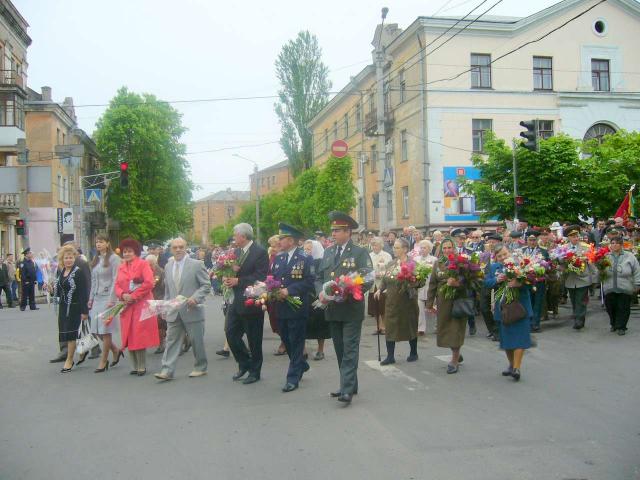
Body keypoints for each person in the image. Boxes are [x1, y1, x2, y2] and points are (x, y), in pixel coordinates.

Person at [317, 211, 373, 404]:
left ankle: (346, 389)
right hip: (332, 309)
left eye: (337, 230)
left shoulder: (359, 252)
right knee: (340, 349)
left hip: (351, 309)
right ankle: (350, 384)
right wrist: (320, 292)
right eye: (332, 230)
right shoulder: (328, 252)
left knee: (349, 349)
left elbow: (368, 278)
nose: (333, 234)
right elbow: (319, 277)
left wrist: (348, 289)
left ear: (348, 232)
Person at [154, 238, 211, 381]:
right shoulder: (168, 265)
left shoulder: (197, 264)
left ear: (186, 248)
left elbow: (206, 285)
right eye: (175, 247)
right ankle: (167, 370)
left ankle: (200, 367)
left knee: (196, 340)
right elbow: (168, 288)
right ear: (171, 249)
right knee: (171, 340)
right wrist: (165, 307)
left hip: (192, 309)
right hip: (174, 310)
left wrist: (195, 298)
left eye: (181, 247)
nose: (178, 250)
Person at [269, 224, 314, 392]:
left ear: (291, 240)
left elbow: (309, 282)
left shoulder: (305, 258)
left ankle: (293, 377)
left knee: (296, 342)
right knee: (286, 340)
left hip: (296, 307)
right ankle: (301, 364)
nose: (279, 241)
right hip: (281, 307)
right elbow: (272, 279)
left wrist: (289, 290)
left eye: (282, 239)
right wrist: (268, 289)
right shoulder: (279, 259)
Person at [224, 223, 269, 384]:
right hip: (236, 301)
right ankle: (244, 363)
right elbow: (229, 270)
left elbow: (261, 276)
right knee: (230, 333)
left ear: (243, 236)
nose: (234, 237)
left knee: (254, 339)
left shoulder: (260, 252)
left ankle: (255, 371)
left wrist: (239, 280)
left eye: (235, 235)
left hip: (252, 301)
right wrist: (226, 275)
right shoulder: (236, 252)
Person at [485, 244, 533, 381]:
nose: (502, 257)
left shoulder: (521, 264)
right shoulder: (494, 267)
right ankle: (511, 365)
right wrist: (496, 280)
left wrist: (519, 283)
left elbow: (531, 280)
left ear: (509, 252)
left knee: (520, 337)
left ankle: (517, 368)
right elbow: (486, 283)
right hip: (504, 307)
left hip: (520, 305)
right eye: (499, 256)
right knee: (506, 339)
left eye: (504, 254)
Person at [114, 238, 160, 376]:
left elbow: (149, 283)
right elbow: (116, 285)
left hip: (141, 304)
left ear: (136, 252)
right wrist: (122, 294)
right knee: (128, 334)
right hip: (126, 305)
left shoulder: (143, 264)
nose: (127, 254)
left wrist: (133, 296)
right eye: (125, 252)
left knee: (139, 334)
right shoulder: (121, 267)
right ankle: (134, 366)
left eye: (130, 251)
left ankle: (141, 366)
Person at [426, 238, 469, 374]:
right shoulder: (438, 263)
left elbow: (469, 282)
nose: (446, 250)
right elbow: (432, 283)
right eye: (444, 248)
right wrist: (429, 303)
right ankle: (456, 352)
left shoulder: (461, 262)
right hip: (443, 301)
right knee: (446, 329)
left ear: (454, 248)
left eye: (449, 247)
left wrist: (457, 284)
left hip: (458, 300)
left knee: (456, 329)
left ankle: (454, 360)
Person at [376, 238, 420, 365]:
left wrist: (411, 280)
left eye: (397, 247)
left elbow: (419, 281)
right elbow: (385, 279)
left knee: (410, 325)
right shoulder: (391, 263)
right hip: (392, 302)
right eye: (394, 247)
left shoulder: (413, 264)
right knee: (390, 327)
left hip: (407, 302)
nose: (394, 249)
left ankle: (413, 352)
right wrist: (380, 289)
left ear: (405, 249)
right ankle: (390, 356)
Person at [88, 234, 122, 372]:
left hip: (108, 298)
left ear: (108, 243)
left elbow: (116, 279)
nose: (98, 244)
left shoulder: (114, 259)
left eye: (101, 242)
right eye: (97, 242)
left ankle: (103, 361)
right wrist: (90, 298)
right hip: (97, 298)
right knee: (96, 330)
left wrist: (112, 299)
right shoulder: (96, 259)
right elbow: (93, 280)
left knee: (105, 331)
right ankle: (115, 350)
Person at [52, 245, 89, 373]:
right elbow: (61, 288)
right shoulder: (62, 271)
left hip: (75, 307)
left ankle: (69, 360)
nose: (69, 260)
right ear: (62, 259)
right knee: (66, 334)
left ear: (75, 258)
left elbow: (83, 292)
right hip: (63, 307)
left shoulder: (78, 272)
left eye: (71, 257)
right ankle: (82, 350)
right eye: (66, 258)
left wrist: (84, 311)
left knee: (72, 334)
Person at [602, 237, 640, 335]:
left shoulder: (629, 256)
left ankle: (622, 326)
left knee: (623, 307)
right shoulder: (606, 256)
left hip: (625, 287)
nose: (614, 245)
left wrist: (637, 283)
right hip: (609, 286)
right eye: (612, 243)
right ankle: (613, 323)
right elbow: (600, 269)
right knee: (610, 307)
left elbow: (636, 270)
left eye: (616, 243)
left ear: (621, 245)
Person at [563, 225, 595, 330]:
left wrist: (594, 277)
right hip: (570, 278)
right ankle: (577, 316)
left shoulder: (586, 247)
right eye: (572, 236)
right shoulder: (563, 248)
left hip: (583, 278)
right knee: (573, 299)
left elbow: (591, 263)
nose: (575, 238)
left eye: (576, 236)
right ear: (568, 238)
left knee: (581, 299)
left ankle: (579, 320)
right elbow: (560, 263)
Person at [303, 240, 330, 360]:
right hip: (305, 295)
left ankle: (320, 350)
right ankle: (302, 350)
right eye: (305, 248)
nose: (306, 251)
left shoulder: (321, 261)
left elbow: (322, 278)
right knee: (303, 323)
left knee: (320, 323)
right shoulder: (302, 260)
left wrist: (320, 293)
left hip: (319, 296)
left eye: (309, 249)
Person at [520, 230, 548, 332]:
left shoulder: (543, 251)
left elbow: (548, 266)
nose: (532, 242)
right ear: (526, 240)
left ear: (537, 240)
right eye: (530, 240)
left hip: (538, 281)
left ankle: (535, 323)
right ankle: (528, 322)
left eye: (534, 240)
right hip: (526, 281)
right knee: (527, 302)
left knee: (538, 302)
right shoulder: (522, 251)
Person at [267, 234, 286, 356]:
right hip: (272, 292)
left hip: (283, 292)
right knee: (274, 317)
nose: (272, 248)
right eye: (271, 246)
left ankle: (285, 343)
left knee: (282, 318)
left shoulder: (283, 257)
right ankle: (284, 339)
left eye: (274, 246)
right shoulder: (272, 258)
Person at [368, 236, 392, 335]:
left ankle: (385, 327)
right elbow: (367, 270)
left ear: (381, 245)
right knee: (375, 308)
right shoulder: (369, 256)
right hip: (373, 284)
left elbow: (390, 269)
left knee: (383, 307)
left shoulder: (387, 255)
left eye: (376, 245)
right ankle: (378, 327)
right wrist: (373, 274)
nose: (374, 247)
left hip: (383, 284)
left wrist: (382, 274)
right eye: (373, 245)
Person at [415, 240, 437, 336]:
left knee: (435, 308)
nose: (422, 249)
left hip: (431, 287)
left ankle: (438, 327)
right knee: (419, 309)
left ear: (429, 249)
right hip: (420, 288)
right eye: (421, 248)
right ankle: (421, 328)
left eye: (425, 248)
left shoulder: (434, 259)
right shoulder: (416, 259)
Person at [146, 254, 167, 354]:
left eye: (151, 264)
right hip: (150, 300)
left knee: (161, 324)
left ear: (155, 262)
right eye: (147, 264)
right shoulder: (146, 271)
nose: (149, 266)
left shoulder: (160, 272)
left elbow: (163, 287)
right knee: (157, 324)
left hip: (159, 299)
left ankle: (161, 344)